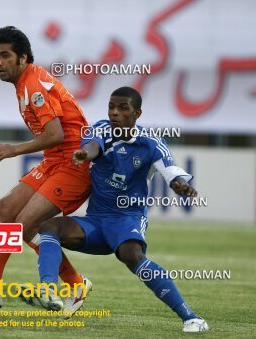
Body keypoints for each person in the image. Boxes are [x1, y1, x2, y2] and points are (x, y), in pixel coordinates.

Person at [29, 86, 209, 332]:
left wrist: (181, 186)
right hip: (95, 221)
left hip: (128, 219)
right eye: (111, 107)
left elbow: (173, 174)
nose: (115, 113)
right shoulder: (100, 129)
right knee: (49, 226)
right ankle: (48, 289)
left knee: (132, 256)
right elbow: (94, 146)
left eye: (122, 108)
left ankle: (191, 317)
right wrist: (84, 154)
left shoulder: (151, 144)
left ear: (137, 113)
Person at [0, 26, 92, 312]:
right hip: (55, 160)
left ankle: (75, 283)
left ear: (23, 58)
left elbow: (55, 134)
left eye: (5, 55)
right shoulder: (26, 82)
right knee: (4, 210)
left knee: (23, 225)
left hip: (73, 164)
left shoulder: (33, 85)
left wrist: (13, 149)